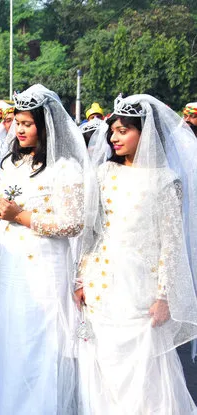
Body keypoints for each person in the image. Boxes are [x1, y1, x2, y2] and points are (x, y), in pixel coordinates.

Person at [0, 84, 95, 414]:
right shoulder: (11, 164)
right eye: (17, 122)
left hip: (44, 268)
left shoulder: (64, 168)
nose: (20, 129)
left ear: (45, 125)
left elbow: (72, 223)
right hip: (10, 268)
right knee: (8, 340)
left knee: (37, 342)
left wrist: (21, 216)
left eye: (27, 123)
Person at [77, 94, 197, 414]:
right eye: (112, 130)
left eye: (123, 130)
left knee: (144, 367)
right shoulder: (104, 174)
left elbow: (171, 243)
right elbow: (93, 231)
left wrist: (164, 296)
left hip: (141, 288)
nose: (114, 137)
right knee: (102, 363)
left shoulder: (165, 181)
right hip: (101, 282)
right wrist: (80, 277)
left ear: (145, 134)